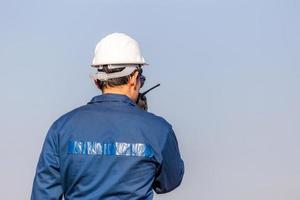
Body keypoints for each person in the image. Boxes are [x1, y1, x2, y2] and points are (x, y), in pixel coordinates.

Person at [31, 33, 184, 200]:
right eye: (142, 78)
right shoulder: (159, 129)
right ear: (133, 78)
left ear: (96, 81)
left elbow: (44, 194)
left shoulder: (61, 128)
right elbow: (169, 182)